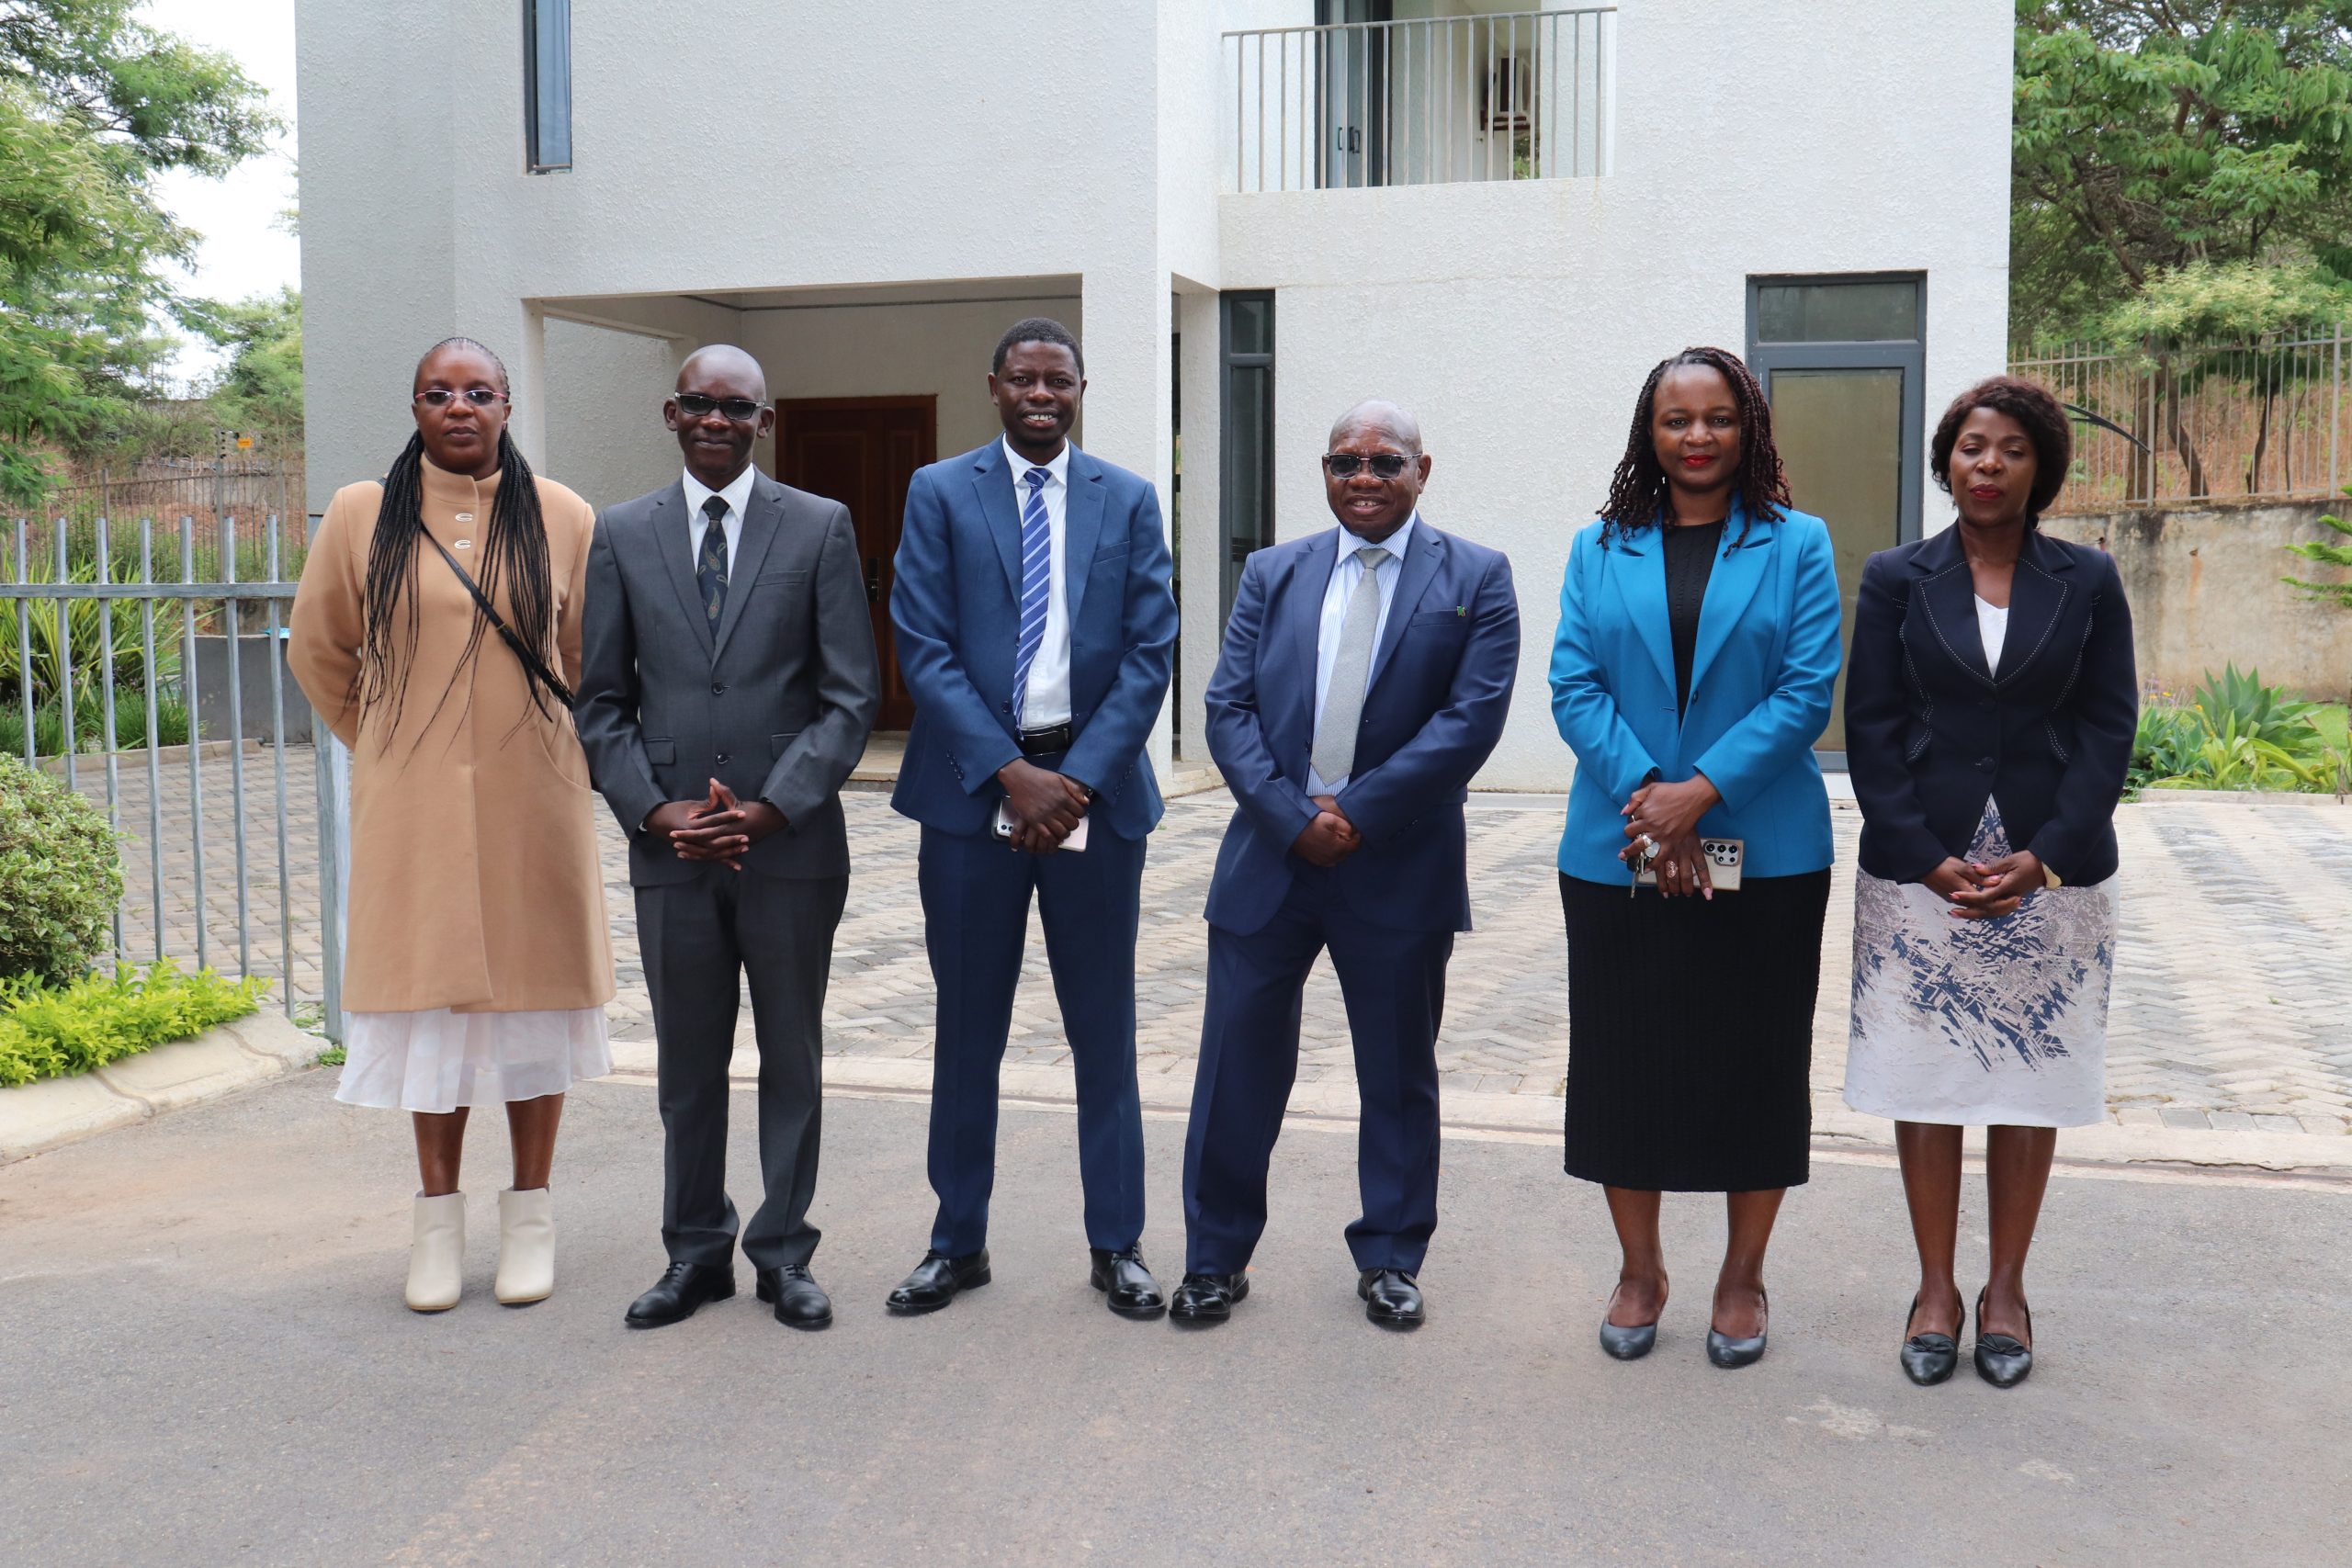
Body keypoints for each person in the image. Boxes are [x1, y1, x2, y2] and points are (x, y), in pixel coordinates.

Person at [1173, 400, 1519, 1330]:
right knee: (1235, 1069)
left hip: (1398, 863)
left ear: (1421, 469)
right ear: (1324, 471)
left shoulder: (1476, 577)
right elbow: (1227, 708)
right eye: (1344, 462)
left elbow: (1469, 722)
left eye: (1384, 462)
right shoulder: (1272, 572)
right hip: (1270, 860)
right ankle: (1214, 1257)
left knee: (1397, 1073)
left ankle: (1392, 1257)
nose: (1363, 479)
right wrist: (1294, 818)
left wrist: (1357, 813)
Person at [289, 337, 614, 1313]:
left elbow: (585, 655)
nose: (459, 407)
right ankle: (436, 1224)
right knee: (429, 1009)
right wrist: (387, 739)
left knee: (535, 1002)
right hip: (413, 807)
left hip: (534, 801)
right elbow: (321, 649)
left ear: (508, 405)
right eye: (439, 393)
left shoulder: (563, 514)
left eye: (479, 392)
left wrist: (559, 746)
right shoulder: (362, 512)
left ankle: (530, 1217)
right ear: (416, 407)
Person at [575, 345, 881, 1332]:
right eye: (700, 403)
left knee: (791, 1056)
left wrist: (773, 806)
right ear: (672, 414)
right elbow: (600, 699)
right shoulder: (622, 532)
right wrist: (654, 809)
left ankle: (784, 1252)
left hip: (789, 846)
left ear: (765, 421)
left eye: (737, 407)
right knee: (687, 1063)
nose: (717, 419)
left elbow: (850, 695)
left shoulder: (820, 526)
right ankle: (694, 1251)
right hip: (672, 848)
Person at [1548, 347, 1842, 1368]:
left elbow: (1806, 690)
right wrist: (1651, 798)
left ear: (1747, 426)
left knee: (1756, 1064)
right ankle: (1641, 1271)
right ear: (1650, 432)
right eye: (1677, 419)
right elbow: (1573, 684)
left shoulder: (1798, 543)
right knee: (1625, 1064)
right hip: (1619, 845)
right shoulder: (1599, 547)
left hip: (1768, 853)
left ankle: (1741, 1276)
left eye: (1718, 416)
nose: (1698, 436)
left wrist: (1699, 793)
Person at [882, 317, 1179, 1320]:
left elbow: (1150, 652)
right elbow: (922, 645)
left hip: (1094, 794)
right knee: (968, 1029)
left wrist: (1074, 780)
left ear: (1082, 389)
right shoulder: (940, 492)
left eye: (1059, 380)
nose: (1041, 395)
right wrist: (1012, 774)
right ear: (995, 386)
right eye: (1024, 379)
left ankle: (1117, 1244)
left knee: (1104, 1029)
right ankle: (955, 1241)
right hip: (973, 797)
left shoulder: (1127, 499)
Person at [1842, 375, 2135, 1390]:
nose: (1990, 465)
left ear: (2039, 467)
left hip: (2050, 869)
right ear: (1947, 460)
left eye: (2012, 448)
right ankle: (1935, 1289)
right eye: (1973, 446)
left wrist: (2046, 855)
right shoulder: (1896, 576)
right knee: (1922, 1077)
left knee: (2028, 1080)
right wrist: (1922, 854)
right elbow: (1870, 726)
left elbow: (2109, 724)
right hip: (1923, 867)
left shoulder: (2088, 579)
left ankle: (2005, 1289)